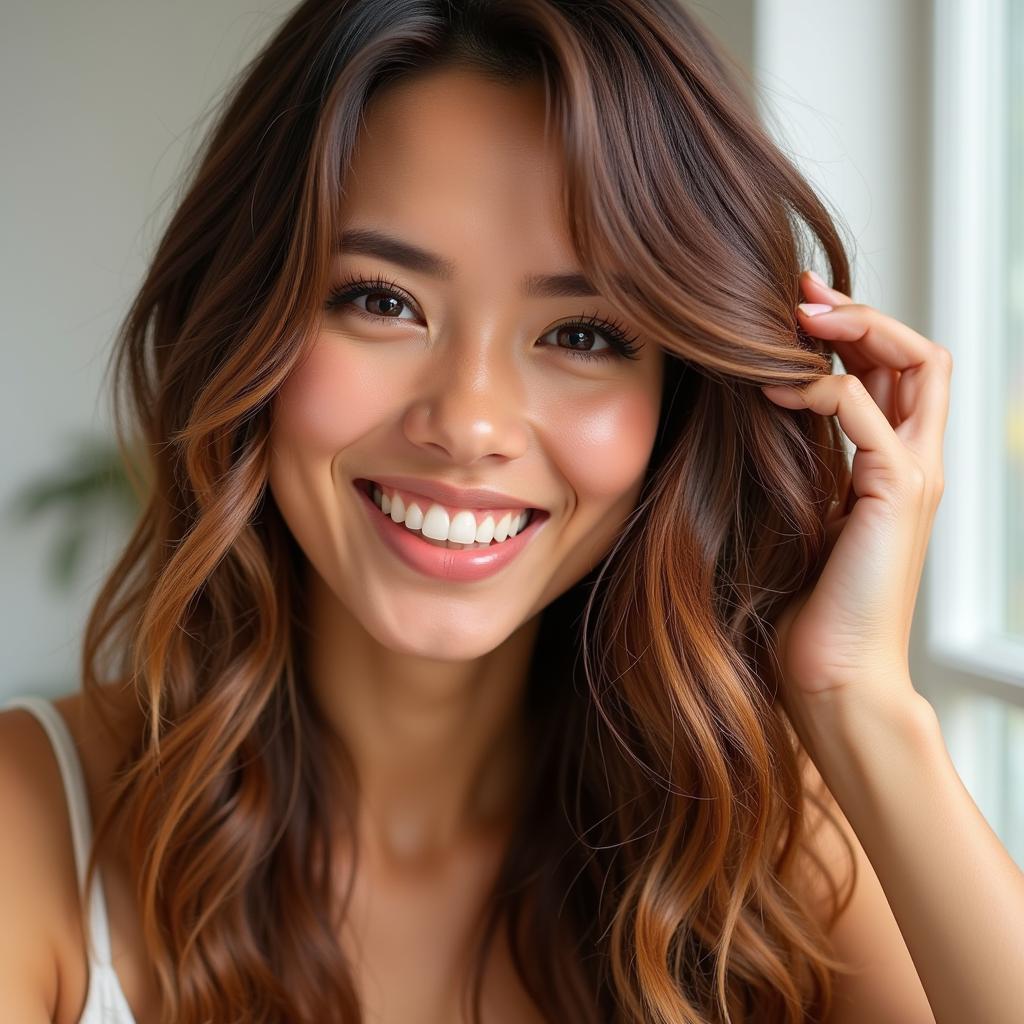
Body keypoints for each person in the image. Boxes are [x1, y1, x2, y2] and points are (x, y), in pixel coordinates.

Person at [2, 1, 1020, 1022]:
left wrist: (861, 700)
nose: (470, 423)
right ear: (243, 327)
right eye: (382, 300)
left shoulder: (762, 847)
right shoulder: (31, 827)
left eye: (582, 332)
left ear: (681, 400)